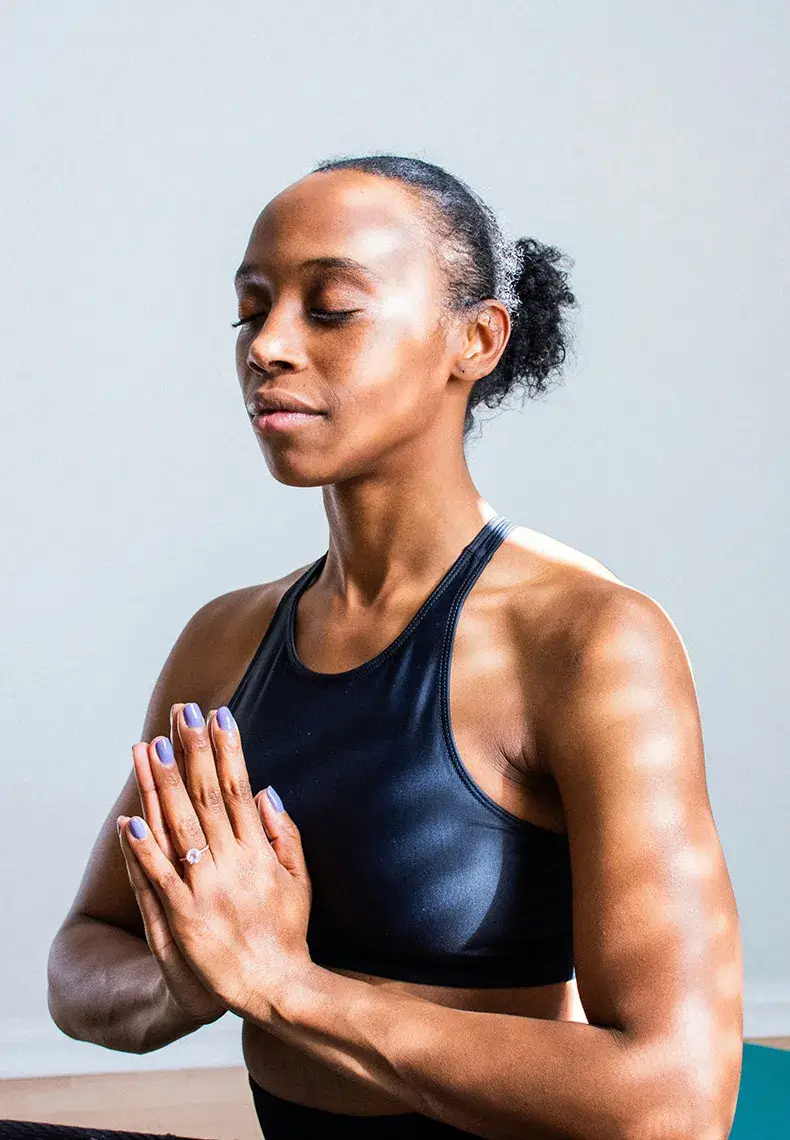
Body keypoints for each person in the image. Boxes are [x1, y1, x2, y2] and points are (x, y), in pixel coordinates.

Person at [48, 154, 743, 1140]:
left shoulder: (589, 642)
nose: (269, 346)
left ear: (475, 339)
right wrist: (190, 982)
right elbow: (83, 956)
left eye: (329, 307)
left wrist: (290, 991)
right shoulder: (223, 641)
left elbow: (675, 1099)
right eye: (251, 311)